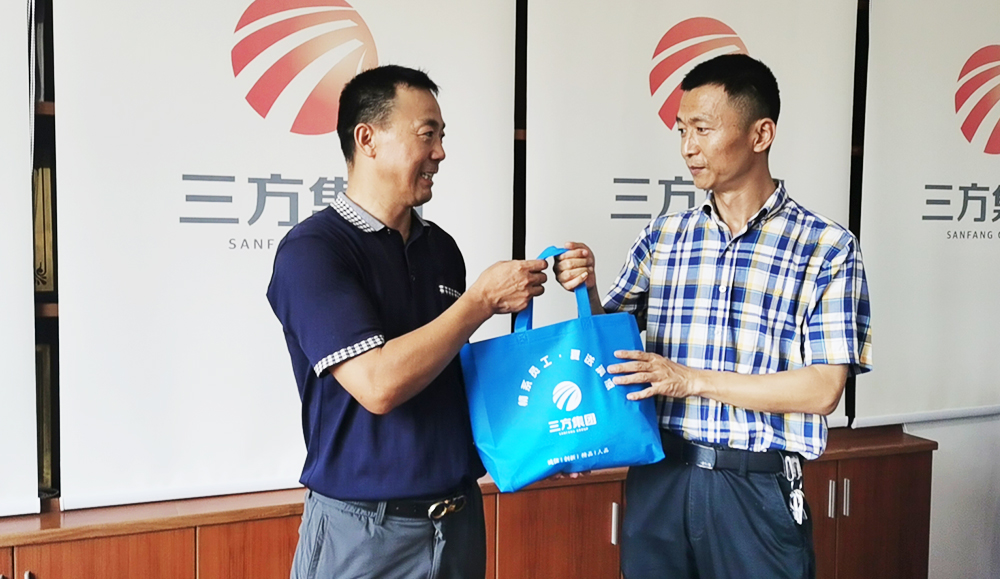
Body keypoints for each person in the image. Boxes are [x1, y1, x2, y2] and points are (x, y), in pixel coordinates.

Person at [554, 53, 872, 579]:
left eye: (702, 129)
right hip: (660, 477)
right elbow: (609, 343)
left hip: (755, 487)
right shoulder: (663, 236)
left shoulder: (826, 246)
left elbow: (822, 390)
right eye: (682, 131)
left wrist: (691, 380)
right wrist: (587, 287)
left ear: (761, 134)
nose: (688, 147)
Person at [267, 65, 549, 579]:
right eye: (427, 134)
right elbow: (378, 385)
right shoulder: (313, 251)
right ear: (367, 139)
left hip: (458, 520)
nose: (439, 153)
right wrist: (480, 301)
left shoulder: (440, 249)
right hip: (364, 534)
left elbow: (448, 372)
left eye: (442, 136)